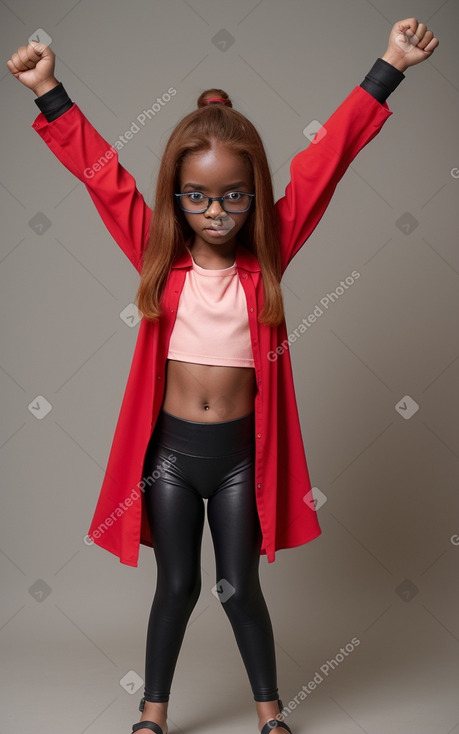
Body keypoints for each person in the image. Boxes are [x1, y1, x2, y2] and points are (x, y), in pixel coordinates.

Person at [7, 17, 438, 734]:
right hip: (170, 459)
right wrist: (48, 91)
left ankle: (270, 713)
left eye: (234, 196)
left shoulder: (267, 253)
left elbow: (325, 162)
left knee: (239, 589)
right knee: (175, 587)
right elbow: (102, 179)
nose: (216, 212)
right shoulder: (157, 253)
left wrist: (388, 65)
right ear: (176, 194)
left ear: (253, 192)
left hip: (241, 459)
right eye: (198, 197)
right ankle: (153, 713)